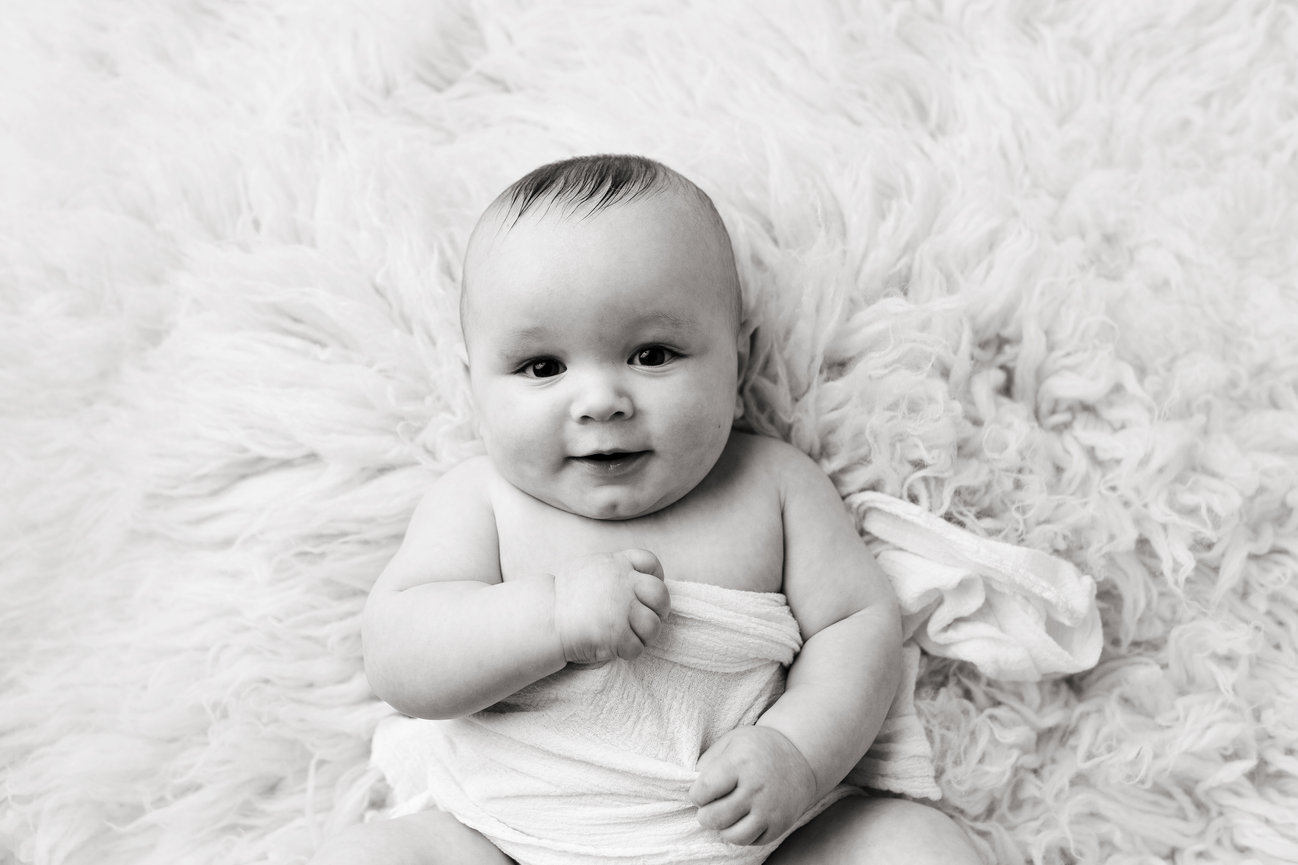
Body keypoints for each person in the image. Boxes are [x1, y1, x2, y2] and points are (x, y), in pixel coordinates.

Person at [311, 155, 983, 864]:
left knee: (917, 846)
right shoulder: (482, 501)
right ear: (473, 384)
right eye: (543, 367)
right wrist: (551, 617)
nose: (601, 401)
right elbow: (400, 654)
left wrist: (796, 750)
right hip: (505, 841)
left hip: (752, 841)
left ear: (738, 361)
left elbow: (856, 626)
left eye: (653, 354)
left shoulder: (775, 485)